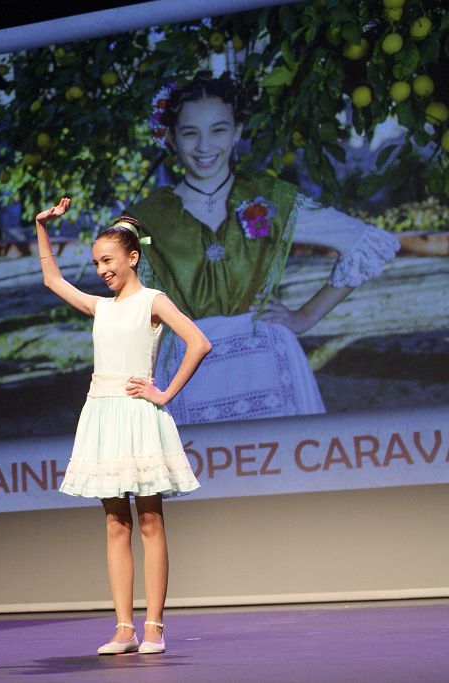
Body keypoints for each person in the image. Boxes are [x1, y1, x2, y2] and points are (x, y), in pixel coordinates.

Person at [127, 71, 400, 425]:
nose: (205, 145)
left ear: (237, 131)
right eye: (190, 132)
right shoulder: (146, 217)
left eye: (219, 129)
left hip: (269, 365)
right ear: (172, 137)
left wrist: (305, 317)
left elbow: (366, 242)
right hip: (187, 371)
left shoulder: (269, 198)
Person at [36, 198, 210, 655]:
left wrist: (165, 393)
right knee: (116, 523)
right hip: (102, 411)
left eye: (107, 260)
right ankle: (122, 628)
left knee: (150, 518)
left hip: (136, 413)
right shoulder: (101, 307)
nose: (101, 270)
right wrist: (41, 227)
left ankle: (154, 626)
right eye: (96, 262)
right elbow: (52, 279)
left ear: (132, 258)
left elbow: (199, 342)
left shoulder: (153, 301)